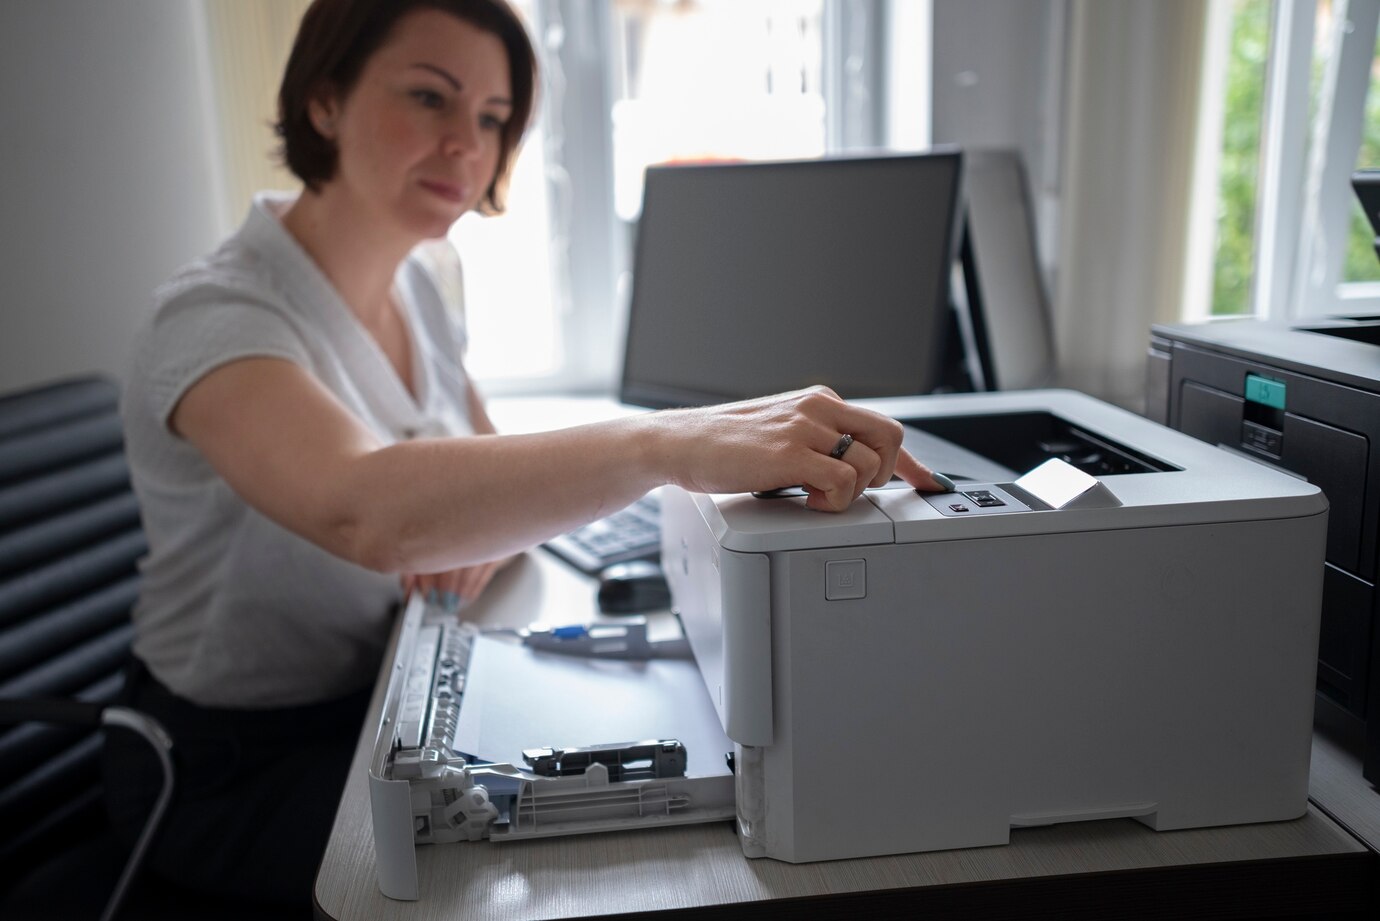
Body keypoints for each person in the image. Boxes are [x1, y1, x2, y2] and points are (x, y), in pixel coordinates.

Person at [105, 0, 951, 909]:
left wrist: (477, 527)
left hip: (387, 691)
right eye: (430, 98)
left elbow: (477, 478)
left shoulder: (420, 288)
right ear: (323, 102)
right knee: (537, 884)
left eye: (492, 117)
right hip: (225, 762)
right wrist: (670, 442)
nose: (467, 143)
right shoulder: (216, 318)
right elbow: (368, 509)